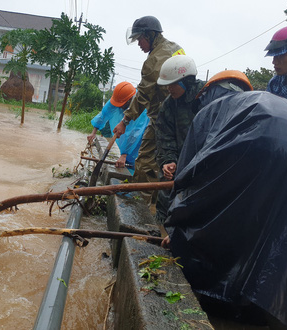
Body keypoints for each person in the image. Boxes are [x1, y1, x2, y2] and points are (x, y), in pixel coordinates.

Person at [162, 70, 287, 329]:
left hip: (269, 137)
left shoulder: (216, 109)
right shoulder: (263, 101)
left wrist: (177, 229)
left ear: (208, 93)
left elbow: (191, 179)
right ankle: (278, 311)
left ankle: (227, 303)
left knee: (234, 215)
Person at [113, 16, 185, 212]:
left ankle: (138, 209)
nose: (139, 44)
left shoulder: (154, 61)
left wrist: (125, 121)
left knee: (145, 162)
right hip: (182, 117)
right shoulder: (174, 47)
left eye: (140, 40)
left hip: (163, 117)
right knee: (168, 163)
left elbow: (143, 94)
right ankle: (156, 206)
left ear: (150, 35)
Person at [153, 55, 207, 224]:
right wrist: (168, 160)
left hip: (204, 165)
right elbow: (164, 136)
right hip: (178, 163)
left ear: (186, 81)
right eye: (167, 84)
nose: (169, 89)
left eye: (173, 84)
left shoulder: (208, 98)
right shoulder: (169, 105)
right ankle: (160, 230)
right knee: (165, 195)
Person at [87, 82, 149, 168]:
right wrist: (93, 132)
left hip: (141, 137)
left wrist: (124, 155)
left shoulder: (140, 106)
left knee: (136, 160)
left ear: (130, 100)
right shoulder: (117, 99)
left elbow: (135, 134)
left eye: (122, 105)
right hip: (125, 125)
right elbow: (103, 115)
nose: (119, 106)